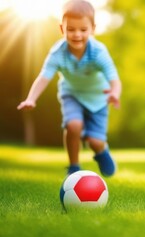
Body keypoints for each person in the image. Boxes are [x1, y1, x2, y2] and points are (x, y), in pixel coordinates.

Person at [17, 0, 122, 177]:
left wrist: (114, 93)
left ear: (93, 29)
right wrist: (31, 98)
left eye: (83, 30)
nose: (77, 34)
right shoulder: (58, 52)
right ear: (62, 29)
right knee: (73, 126)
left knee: (95, 141)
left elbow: (114, 78)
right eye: (71, 29)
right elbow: (44, 77)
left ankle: (101, 152)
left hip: (98, 98)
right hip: (71, 94)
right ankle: (74, 166)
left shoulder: (98, 51)